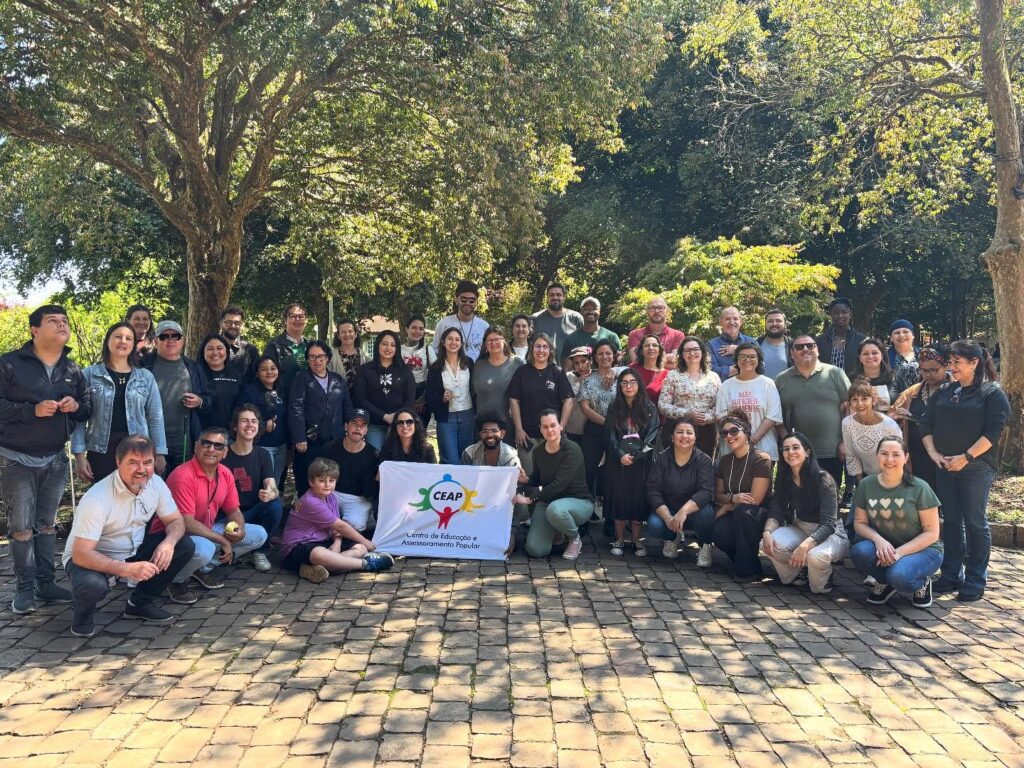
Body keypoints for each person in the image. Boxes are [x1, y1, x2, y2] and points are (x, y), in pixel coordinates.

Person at [0, 304, 92, 614]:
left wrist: (75, 406)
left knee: (47, 525)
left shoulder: (73, 369)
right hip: (16, 459)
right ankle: (24, 589)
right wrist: (32, 411)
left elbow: (87, 407)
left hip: (54, 458)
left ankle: (46, 583)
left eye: (64, 320)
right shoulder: (9, 364)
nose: (62, 325)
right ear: (34, 330)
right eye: (53, 321)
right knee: (21, 527)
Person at [63, 435, 195, 636]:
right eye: (133, 462)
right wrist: (127, 570)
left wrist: (168, 543)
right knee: (92, 585)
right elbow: (81, 554)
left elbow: (176, 521)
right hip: (91, 557)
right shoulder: (97, 498)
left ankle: (139, 603)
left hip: (132, 549)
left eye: (147, 462)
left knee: (183, 545)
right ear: (118, 462)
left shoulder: (156, 484)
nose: (142, 469)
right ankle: (83, 616)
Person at [920, 339, 1010, 602]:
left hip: (976, 468)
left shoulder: (992, 394)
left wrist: (966, 457)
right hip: (945, 465)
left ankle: (975, 579)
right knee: (950, 520)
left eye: (957, 362)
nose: (952, 367)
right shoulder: (945, 391)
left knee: (975, 522)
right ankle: (951, 573)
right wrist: (934, 454)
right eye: (950, 362)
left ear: (975, 362)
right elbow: (926, 424)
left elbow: (993, 433)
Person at [157, 427, 269, 605]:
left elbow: (233, 510)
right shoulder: (183, 475)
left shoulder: (224, 473)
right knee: (205, 548)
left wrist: (239, 529)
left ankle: (199, 569)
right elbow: (186, 522)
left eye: (218, 446)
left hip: (204, 530)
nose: (211, 449)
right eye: (206, 443)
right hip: (173, 536)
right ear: (196, 447)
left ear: (225, 452)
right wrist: (223, 540)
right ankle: (175, 580)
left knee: (259, 534)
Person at [850, 436, 942, 607]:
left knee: (900, 576)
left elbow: (932, 533)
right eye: (884, 454)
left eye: (896, 454)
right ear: (877, 456)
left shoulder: (920, 487)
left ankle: (921, 582)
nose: (889, 459)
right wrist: (878, 540)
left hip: (923, 550)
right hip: (887, 547)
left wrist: (898, 553)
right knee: (860, 551)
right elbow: (859, 523)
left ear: (905, 457)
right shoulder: (866, 485)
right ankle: (884, 581)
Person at [72, 322, 167, 483]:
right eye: (118, 336)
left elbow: (155, 417)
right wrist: (79, 455)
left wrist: (159, 452)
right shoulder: (89, 375)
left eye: (128, 338)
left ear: (133, 345)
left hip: (139, 448)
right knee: (104, 496)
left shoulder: (145, 377)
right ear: (108, 341)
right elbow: (79, 418)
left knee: (138, 495)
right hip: (101, 450)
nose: (123, 341)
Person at [280, 458, 394, 583]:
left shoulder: (331, 497)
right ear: (311, 482)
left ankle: (316, 567)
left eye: (331, 481)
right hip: (297, 547)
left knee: (360, 548)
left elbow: (336, 529)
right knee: (320, 554)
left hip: (323, 541)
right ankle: (366, 564)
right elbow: (340, 526)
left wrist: (337, 542)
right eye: (322, 481)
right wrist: (366, 541)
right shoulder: (310, 501)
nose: (327, 485)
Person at [763, 432, 849, 594]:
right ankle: (798, 572)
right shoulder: (785, 477)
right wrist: (767, 532)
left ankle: (824, 578)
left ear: (807, 452)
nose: (790, 452)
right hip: (801, 527)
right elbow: (777, 509)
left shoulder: (824, 479)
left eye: (796, 447)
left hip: (831, 534)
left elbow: (828, 524)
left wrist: (804, 547)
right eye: (786, 449)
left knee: (816, 578)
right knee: (768, 543)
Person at [775, 333, 850, 489]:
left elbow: (850, 408)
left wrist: (845, 441)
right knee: (800, 496)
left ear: (818, 350)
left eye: (810, 345)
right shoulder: (781, 380)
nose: (805, 349)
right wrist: (785, 440)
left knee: (829, 493)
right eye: (799, 347)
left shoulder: (835, 373)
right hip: (796, 453)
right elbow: (775, 415)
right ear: (792, 353)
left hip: (831, 450)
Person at [517, 410, 594, 560]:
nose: (549, 430)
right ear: (540, 429)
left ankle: (574, 538)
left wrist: (529, 499)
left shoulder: (572, 449)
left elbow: (558, 484)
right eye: (545, 427)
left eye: (553, 425)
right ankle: (557, 531)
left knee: (556, 510)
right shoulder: (538, 451)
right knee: (535, 550)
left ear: (561, 426)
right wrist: (527, 479)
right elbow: (539, 478)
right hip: (549, 502)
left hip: (578, 502)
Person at [142, 320, 213, 473]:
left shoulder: (193, 368)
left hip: (184, 441)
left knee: (181, 483)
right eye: (164, 336)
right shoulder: (143, 366)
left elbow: (209, 399)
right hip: (150, 439)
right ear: (156, 341)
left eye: (175, 336)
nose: (170, 340)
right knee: (151, 484)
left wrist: (199, 401)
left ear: (183, 340)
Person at [604, 369, 660, 557]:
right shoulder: (614, 407)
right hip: (618, 461)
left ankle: (636, 540)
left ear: (639, 384)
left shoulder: (649, 408)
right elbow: (609, 435)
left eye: (632, 382)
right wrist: (620, 454)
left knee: (638, 500)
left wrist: (636, 456)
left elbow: (652, 436)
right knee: (619, 499)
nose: (629, 386)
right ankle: (619, 539)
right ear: (620, 386)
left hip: (641, 462)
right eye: (624, 383)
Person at [711, 410, 772, 578]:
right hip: (736, 511)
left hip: (758, 514)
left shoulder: (761, 459)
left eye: (734, 431)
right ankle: (746, 561)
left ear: (746, 433)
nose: (729, 436)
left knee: (743, 512)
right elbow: (718, 494)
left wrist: (728, 505)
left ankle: (746, 570)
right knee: (719, 533)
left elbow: (755, 500)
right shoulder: (724, 461)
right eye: (725, 433)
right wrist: (732, 499)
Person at [645, 416, 716, 559]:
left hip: (695, 511)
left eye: (689, 432)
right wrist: (667, 517)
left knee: (706, 515)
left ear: (695, 438)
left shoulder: (704, 460)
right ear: (672, 437)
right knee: (654, 525)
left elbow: (706, 491)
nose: (684, 436)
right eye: (679, 432)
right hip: (669, 509)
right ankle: (672, 537)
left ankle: (705, 544)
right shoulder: (661, 459)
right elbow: (653, 491)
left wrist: (683, 511)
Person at [289, 340, 353, 498]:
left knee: (332, 477)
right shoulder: (301, 378)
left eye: (320, 356)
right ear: (307, 359)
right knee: (308, 477)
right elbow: (296, 408)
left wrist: (351, 431)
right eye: (312, 357)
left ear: (327, 358)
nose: (317, 360)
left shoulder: (338, 379)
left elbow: (346, 406)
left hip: (335, 438)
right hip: (310, 440)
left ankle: (331, 509)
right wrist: (299, 437)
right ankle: (306, 508)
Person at [222, 406, 282, 571]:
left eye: (254, 421)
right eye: (244, 421)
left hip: (252, 513)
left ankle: (259, 551)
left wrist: (271, 493)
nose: (250, 425)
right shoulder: (224, 454)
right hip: (228, 515)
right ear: (235, 426)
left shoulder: (262, 454)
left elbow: (273, 487)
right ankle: (236, 550)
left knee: (275, 505)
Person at [506, 333, 574, 475]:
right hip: (527, 434)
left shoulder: (557, 372)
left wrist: (561, 426)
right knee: (529, 475)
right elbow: (513, 400)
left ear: (550, 350)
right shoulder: (522, 371)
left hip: (551, 433)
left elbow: (568, 400)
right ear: (532, 349)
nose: (541, 350)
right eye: (537, 346)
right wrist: (518, 429)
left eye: (545, 347)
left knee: (551, 474)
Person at [890, 346, 951, 490]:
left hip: (948, 457)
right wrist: (897, 417)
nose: (928, 375)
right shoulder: (912, 393)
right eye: (923, 371)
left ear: (946, 365)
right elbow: (890, 416)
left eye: (933, 370)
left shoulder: (958, 390)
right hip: (917, 458)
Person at [715, 342, 782, 463]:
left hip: (763, 449)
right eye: (742, 356)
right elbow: (720, 416)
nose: (747, 360)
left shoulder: (768, 384)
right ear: (736, 360)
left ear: (759, 360)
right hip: (733, 449)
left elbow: (772, 416)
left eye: (752, 356)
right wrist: (739, 440)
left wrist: (752, 441)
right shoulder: (726, 385)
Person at [353, 330, 417, 451]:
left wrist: (396, 417)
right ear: (378, 345)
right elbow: (360, 399)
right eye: (384, 344)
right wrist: (384, 416)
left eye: (393, 345)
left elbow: (410, 400)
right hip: (374, 425)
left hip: (400, 426)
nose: (388, 348)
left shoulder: (405, 371)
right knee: (375, 457)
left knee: (397, 458)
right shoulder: (365, 370)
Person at [578, 340, 624, 498]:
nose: (604, 357)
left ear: (614, 355)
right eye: (600, 354)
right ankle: (586, 503)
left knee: (615, 467)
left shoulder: (623, 376)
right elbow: (585, 408)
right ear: (595, 357)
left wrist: (615, 370)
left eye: (608, 353)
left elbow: (633, 369)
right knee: (588, 467)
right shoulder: (587, 380)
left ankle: (611, 506)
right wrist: (606, 423)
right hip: (595, 428)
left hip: (619, 428)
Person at [320, 409, 380, 533]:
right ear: (346, 426)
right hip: (332, 492)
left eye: (363, 425)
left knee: (355, 525)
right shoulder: (330, 447)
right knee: (318, 518)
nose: (358, 428)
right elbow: (317, 476)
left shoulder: (373, 455)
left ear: (366, 430)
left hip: (358, 498)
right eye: (354, 423)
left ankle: (362, 519)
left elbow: (368, 492)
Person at [658, 337, 720, 456]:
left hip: (706, 432)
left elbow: (720, 406)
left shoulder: (714, 377)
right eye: (687, 350)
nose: (692, 353)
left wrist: (705, 418)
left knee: (703, 465)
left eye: (695, 349)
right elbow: (663, 405)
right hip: (678, 430)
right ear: (682, 354)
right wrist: (686, 413)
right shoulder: (672, 376)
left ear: (702, 352)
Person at [427, 327, 476, 465]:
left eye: (457, 339)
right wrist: (442, 398)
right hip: (446, 418)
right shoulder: (435, 367)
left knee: (466, 458)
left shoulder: (469, 363)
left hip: (468, 416)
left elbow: (475, 388)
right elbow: (429, 397)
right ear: (443, 342)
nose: (453, 342)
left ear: (461, 343)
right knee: (451, 460)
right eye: (450, 339)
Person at [236, 355, 289, 482]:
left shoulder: (282, 390)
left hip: (281, 447)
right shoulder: (250, 392)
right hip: (261, 447)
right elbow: (240, 419)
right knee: (263, 485)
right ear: (257, 373)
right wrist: (264, 425)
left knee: (275, 485)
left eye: (273, 368)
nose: (269, 372)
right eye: (264, 369)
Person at [842, 378, 901, 487]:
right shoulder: (847, 423)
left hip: (892, 477)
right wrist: (863, 485)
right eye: (854, 399)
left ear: (873, 400)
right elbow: (852, 456)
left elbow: (898, 457)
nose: (860, 404)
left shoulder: (889, 425)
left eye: (864, 399)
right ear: (849, 403)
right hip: (865, 478)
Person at [471, 325, 523, 433]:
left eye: (497, 339)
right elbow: (472, 393)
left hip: (509, 426)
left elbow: (526, 395)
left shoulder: (517, 364)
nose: (493, 343)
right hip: (483, 427)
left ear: (504, 341)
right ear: (485, 344)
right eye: (489, 340)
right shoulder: (478, 365)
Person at [198, 332, 244, 430]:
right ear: (203, 352)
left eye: (219, 348)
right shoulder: (195, 374)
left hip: (231, 433)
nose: (215, 352)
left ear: (226, 351)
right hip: (202, 433)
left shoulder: (237, 375)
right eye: (210, 349)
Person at [433, 279, 488, 361]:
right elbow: (435, 351)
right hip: (449, 368)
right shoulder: (444, 324)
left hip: (477, 368)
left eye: (472, 300)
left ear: (476, 301)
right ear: (456, 299)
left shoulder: (484, 326)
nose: (468, 303)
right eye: (464, 299)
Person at [263, 303, 310, 396]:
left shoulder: (310, 346)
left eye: (301, 316)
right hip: (284, 398)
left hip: (309, 399)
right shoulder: (274, 346)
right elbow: (266, 376)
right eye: (293, 316)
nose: (297, 319)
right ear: (285, 320)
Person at [815, 297, 867, 379]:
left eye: (844, 312)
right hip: (825, 384)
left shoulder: (862, 340)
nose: (840, 316)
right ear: (831, 315)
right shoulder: (820, 341)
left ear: (850, 314)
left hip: (853, 384)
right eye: (836, 313)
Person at [531, 282, 584, 360]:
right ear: (547, 297)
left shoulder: (576, 318)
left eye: (558, 295)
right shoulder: (535, 318)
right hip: (542, 366)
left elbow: (584, 345)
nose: (555, 297)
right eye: (551, 295)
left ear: (564, 297)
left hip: (569, 367)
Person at [627, 296, 685, 364]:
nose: (657, 311)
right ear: (647, 312)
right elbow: (637, 363)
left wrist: (648, 360)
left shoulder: (678, 335)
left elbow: (676, 363)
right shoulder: (635, 334)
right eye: (653, 308)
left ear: (667, 311)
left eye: (660, 308)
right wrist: (667, 358)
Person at [401, 315, 436, 426]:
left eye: (421, 328)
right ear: (406, 329)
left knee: (420, 430)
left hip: (422, 394)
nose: (417, 331)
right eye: (414, 328)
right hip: (402, 394)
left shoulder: (427, 350)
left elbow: (435, 375)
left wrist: (423, 398)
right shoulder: (398, 350)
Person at [563, 297, 619, 365]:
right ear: (581, 312)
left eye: (594, 309)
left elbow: (618, 364)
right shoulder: (571, 339)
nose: (590, 312)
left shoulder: (612, 337)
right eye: (586, 309)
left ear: (599, 311)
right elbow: (567, 367)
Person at [709, 306, 755, 380]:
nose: (732, 322)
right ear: (720, 322)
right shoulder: (711, 345)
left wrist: (739, 350)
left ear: (741, 322)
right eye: (727, 319)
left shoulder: (751, 342)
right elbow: (711, 372)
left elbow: (761, 366)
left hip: (750, 386)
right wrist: (746, 366)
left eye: (735, 319)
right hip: (723, 387)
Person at [851, 338, 896, 411]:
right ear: (860, 358)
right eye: (866, 353)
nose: (870, 356)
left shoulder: (895, 378)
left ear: (882, 355)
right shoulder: (850, 380)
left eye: (874, 353)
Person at [219, 306, 259, 384]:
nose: (233, 326)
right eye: (229, 322)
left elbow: (256, 379)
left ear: (241, 325)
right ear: (221, 324)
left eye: (237, 323)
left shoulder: (250, 350)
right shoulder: (210, 348)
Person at [564, 347, 593, 445]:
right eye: (576, 363)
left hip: (593, 429)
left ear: (590, 360)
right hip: (573, 428)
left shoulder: (596, 375)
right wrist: (579, 382)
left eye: (583, 361)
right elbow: (568, 398)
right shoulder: (569, 376)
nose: (580, 366)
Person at [630, 334, 669, 405]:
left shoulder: (667, 375)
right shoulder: (633, 369)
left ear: (659, 351)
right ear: (642, 351)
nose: (651, 348)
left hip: (657, 411)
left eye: (654, 345)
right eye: (647, 345)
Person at [328, 318, 362, 388]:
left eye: (350, 331)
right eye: (343, 332)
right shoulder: (330, 357)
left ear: (355, 334)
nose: (347, 334)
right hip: (337, 394)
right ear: (338, 335)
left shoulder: (365, 357)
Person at [757, 309, 792, 379]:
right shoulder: (755, 344)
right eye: (770, 321)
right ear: (765, 324)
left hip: (787, 386)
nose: (774, 324)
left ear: (785, 325)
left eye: (778, 321)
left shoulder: (793, 345)